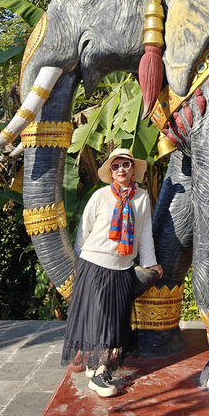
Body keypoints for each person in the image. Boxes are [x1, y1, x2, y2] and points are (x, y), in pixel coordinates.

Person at [61, 147, 162, 397]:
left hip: (122, 267)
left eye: (125, 165)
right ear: (110, 171)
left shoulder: (141, 198)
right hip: (95, 264)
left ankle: (98, 365)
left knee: (115, 320)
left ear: (133, 169)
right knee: (100, 319)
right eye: (115, 166)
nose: (120, 170)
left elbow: (145, 233)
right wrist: (85, 262)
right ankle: (99, 372)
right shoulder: (101, 196)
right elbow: (84, 231)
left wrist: (150, 263)